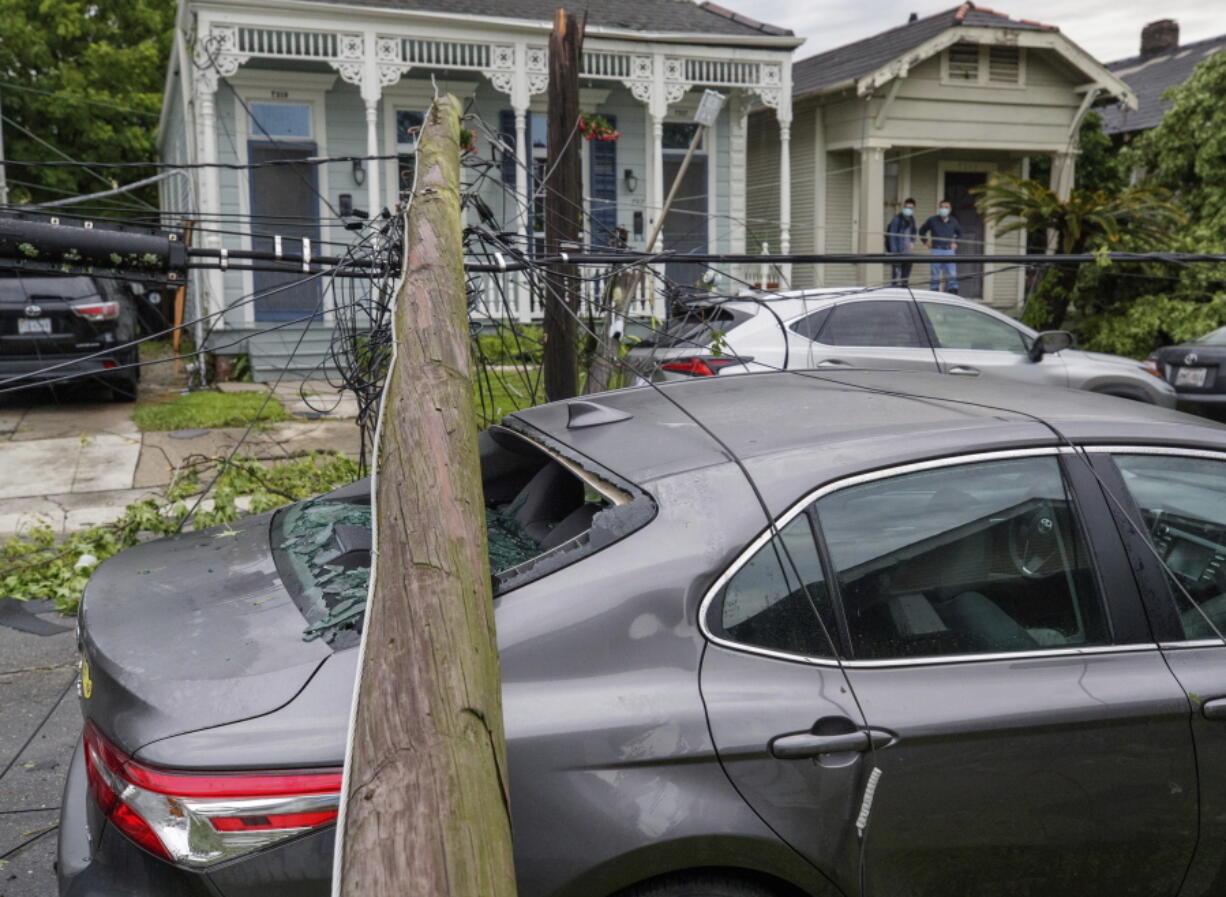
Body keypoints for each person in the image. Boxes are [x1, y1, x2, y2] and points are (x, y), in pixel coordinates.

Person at [919, 200, 963, 294]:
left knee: (951, 274)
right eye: (942, 207)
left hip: (949, 251)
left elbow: (960, 233)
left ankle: (953, 294)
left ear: (950, 209)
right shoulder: (932, 220)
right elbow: (921, 231)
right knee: (935, 275)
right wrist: (926, 242)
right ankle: (934, 293)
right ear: (939, 208)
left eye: (946, 207)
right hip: (936, 250)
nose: (944, 209)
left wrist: (956, 243)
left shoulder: (954, 221)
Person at [885, 198, 917, 286]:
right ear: (903, 207)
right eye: (907, 207)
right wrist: (894, 253)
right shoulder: (897, 219)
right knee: (896, 277)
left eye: (911, 208)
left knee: (905, 278)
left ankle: (904, 290)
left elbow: (914, 232)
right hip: (897, 252)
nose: (908, 209)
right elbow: (892, 236)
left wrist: (912, 242)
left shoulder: (912, 220)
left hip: (907, 253)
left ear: (913, 209)